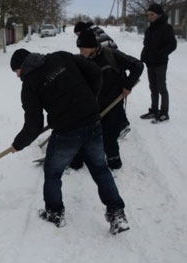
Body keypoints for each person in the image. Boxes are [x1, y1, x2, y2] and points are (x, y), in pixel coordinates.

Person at [9, 48, 129, 235]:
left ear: (22, 66)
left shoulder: (29, 84)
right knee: (100, 168)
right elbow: (95, 72)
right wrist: (91, 99)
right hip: (92, 121)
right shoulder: (60, 56)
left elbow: (34, 124)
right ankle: (117, 214)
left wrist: (18, 144)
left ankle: (55, 213)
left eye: (16, 72)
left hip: (67, 132)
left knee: (53, 172)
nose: (18, 77)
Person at [76, 29, 143, 170]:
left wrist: (127, 85)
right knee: (85, 134)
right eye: (80, 49)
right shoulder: (82, 60)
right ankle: (77, 161)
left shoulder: (111, 55)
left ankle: (114, 163)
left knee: (109, 137)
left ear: (93, 46)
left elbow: (137, 65)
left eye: (83, 48)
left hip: (113, 103)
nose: (81, 52)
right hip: (94, 105)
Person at [74, 21, 129, 139]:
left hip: (113, 68)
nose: (78, 37)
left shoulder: (96, 39)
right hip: (109, 66)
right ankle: (119, 123)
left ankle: (122, 124)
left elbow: (106, 55)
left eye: (78, 34)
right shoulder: (93, 34)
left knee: (113, 99)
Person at [140, 3, 177, 123]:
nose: (150, 16)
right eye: (148, 15)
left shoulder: (166, 28)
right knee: (153, 87)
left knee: (161, 87)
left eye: (152, 14)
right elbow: (146, 45)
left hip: (160, 62)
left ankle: (164, 112)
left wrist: (161, 54)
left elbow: (172, 45)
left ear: (159, 15)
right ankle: (154, 110)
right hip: (150, 62)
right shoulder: (149, 29)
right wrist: (143, 56)